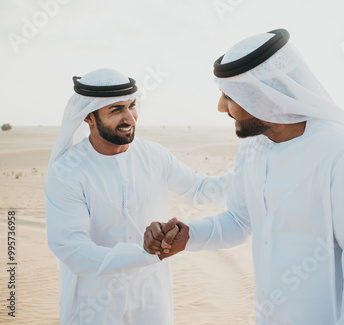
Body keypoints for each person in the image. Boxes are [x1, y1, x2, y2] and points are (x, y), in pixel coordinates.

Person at [145, 29, 344, 324]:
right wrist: (188, 236)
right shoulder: (253, 148)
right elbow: (240, 220)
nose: (221, 107)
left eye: (229, 96)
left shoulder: (342, 152)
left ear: (264, 96)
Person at [45, 68, 228, 324]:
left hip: (151, 300)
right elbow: (73, 250)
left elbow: (201, 189)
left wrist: (253, 175)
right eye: (116, 110)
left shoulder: (154, 156)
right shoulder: (67, 171)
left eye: (132, 106)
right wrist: (144, 254)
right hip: (94, 305)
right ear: (88, 116)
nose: (130, 118)